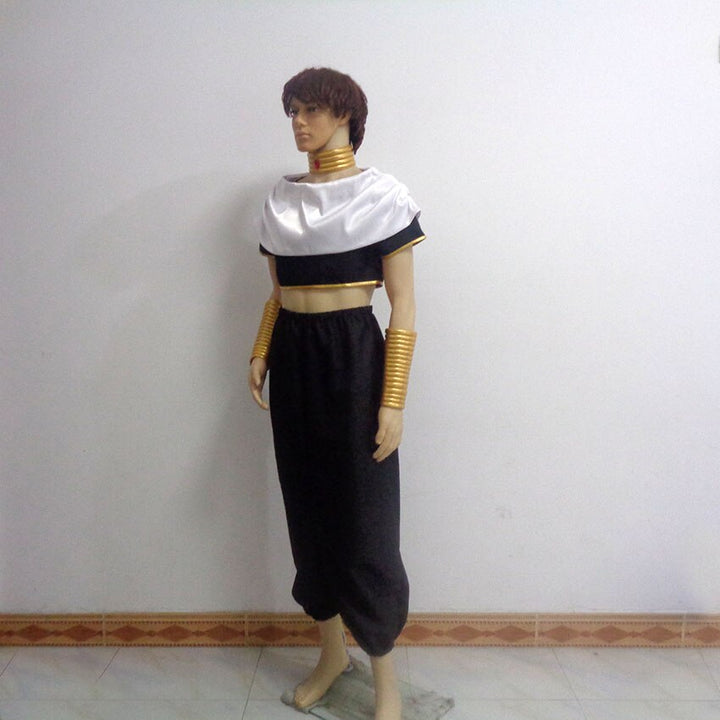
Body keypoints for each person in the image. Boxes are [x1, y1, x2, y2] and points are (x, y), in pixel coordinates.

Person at [248, 67, 424, 720]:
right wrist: (262, 349)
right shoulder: (280, 202)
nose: (299, 123)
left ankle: (385, 674)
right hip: (293, 358)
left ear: (345, 115)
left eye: (312, 110)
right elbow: (278, 293)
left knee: (366, 518)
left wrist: (392, 399)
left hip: (355, 359)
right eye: (292, 111)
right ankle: (330, 655)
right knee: (308, 506)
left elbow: (403, 306)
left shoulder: (382, 198)